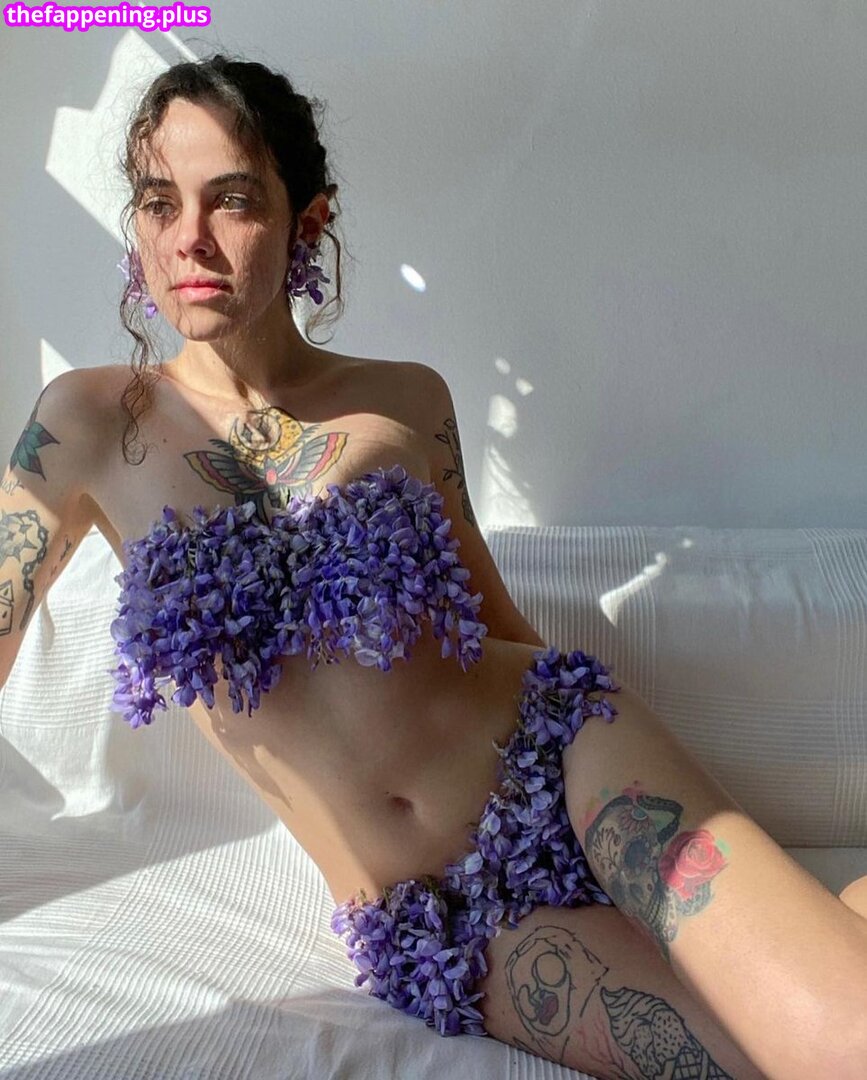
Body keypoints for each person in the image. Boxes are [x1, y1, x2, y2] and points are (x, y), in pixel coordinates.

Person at [2, 53, 866, 1080]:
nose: (188, 237)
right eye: (158, 202)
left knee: (845, 1040)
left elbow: (490, 622)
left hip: (572, 759)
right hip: (438, 921)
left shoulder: (407, 399)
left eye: (231, 199)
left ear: (307, 221)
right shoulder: (89, 423)